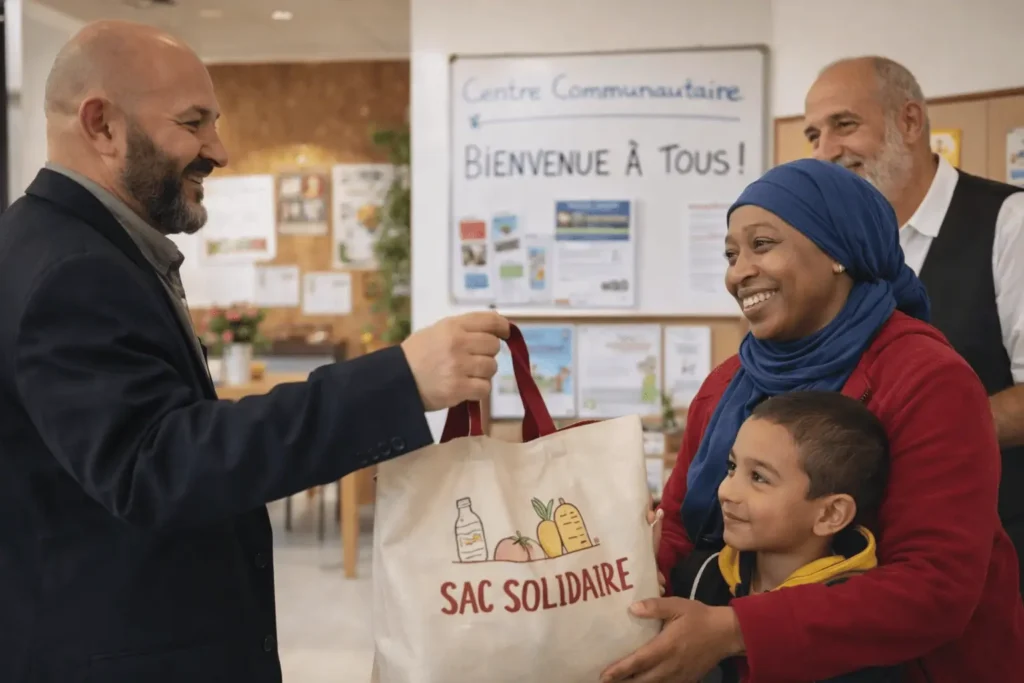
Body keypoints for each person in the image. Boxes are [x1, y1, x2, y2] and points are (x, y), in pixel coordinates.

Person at [0, 20, 509, 682]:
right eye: (193, 123)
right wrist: (400, 381)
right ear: (101, 126)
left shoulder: (56, 244)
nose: (220, 149)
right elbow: (156, 464)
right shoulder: (72, 268)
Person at [600, 159, 1024, 683]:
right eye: (731, 254)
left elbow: (935, 586)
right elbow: (681, 532)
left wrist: (735, 630)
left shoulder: (927, 380)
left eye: (762, 245)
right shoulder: (726, 385)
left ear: (837, 252)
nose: (739, 271)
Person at [802, 56, 1024, 590]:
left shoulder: (1009, 223)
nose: (826, 150)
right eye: (813, 134)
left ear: (909, 121)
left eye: (844, 124)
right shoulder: (836, 253)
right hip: (870, 566)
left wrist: (903, 438)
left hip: (996, 559)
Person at [674, 391, 898, 683]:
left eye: (758, 478)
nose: (726, 492)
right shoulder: (699, 576)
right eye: (732, 467)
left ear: (830, 514)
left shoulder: (857, 630)